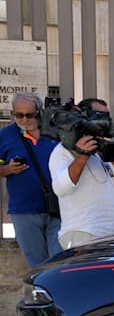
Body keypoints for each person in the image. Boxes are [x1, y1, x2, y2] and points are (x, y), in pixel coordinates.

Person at [49, 98, 114, 249]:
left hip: (111, 234)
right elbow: (60, 188)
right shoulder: (62, 151)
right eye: (98, 115)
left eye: (106, 116)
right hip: (82, 234)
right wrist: (82, 155)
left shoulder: (102, 147)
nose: (104, 121)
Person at [0, 92, 62, 265]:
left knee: (59, 262)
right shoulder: (5, 135)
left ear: (39, 112)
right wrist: (8, 169)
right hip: (24, 211)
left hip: (60, 208)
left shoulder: (55, 132)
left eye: (30, 114)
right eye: (19, 115)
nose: (24, 119)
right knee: (37, 264)